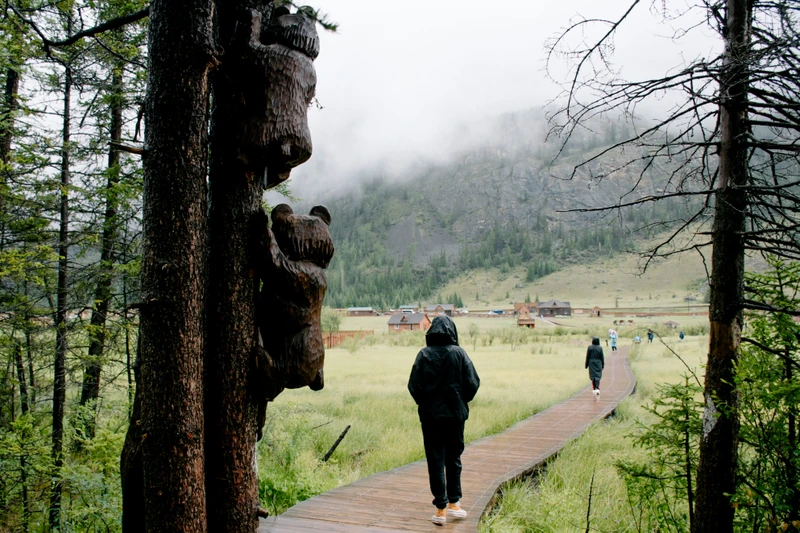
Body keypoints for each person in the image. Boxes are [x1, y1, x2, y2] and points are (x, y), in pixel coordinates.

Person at [408, 315, 480, 526]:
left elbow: (413, 386)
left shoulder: (423, 355)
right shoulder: (459, 354)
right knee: (454, 458)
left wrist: (425, 404)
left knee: (435, 460)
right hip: (455, 416)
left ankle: (440, 510)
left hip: (431, 418)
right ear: (452, 332)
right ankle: (455, 504)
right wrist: (460, 400)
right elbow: (473, 383)